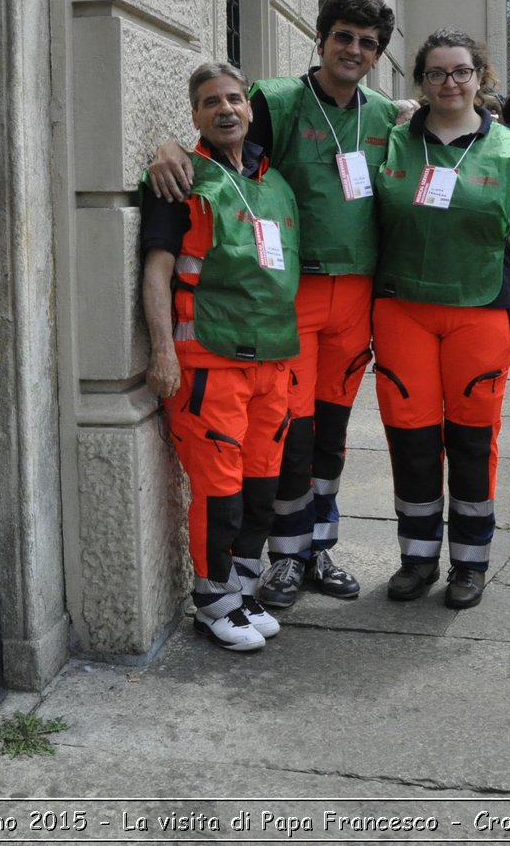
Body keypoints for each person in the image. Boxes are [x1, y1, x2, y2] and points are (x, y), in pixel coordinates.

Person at [145, 0, 401, 609]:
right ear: (322, 39)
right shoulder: (278, 99)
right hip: (298, 292)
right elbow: (222, 144)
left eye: (367, 43)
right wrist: (168, 148)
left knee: (334, 431)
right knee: (294, 431)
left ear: (377, 56)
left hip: (358, 291)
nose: (353, 49)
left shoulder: (388, 113)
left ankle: (319, 545)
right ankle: (285, 555)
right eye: (343, 36)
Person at [371, 29, 510, 609]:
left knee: (474, 442)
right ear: (420, 81)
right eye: (435, 73)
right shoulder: (391, 143)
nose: (449, 83)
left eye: (460, 72)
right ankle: (417, 558)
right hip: (402, 310)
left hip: (480, 312)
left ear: (480, 77)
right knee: (412, 439)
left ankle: (469, 564)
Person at [140, 63, 301, 651]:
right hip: (207, 361)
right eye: (211, 102)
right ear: (195, 116)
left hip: (273, 362)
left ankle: (240, 589)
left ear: (251, 109)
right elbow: (157, 272)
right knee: (219, 491)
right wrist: (163, 354)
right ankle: (211, 602)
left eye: (235, 98)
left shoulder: (275, 181)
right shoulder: (181, 180)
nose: (226, 108)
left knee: (261, 487)